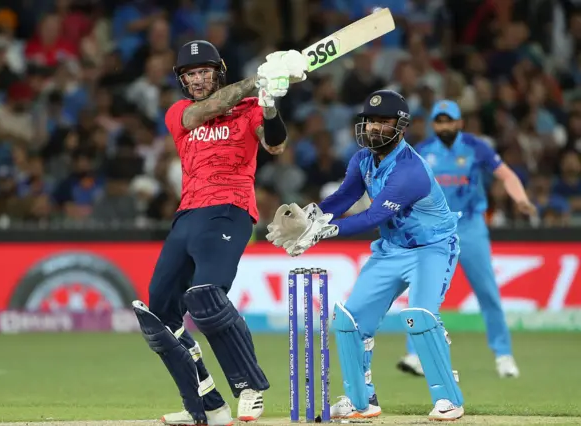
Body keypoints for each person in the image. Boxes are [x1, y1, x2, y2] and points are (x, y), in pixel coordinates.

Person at [131, 40, 307, 426]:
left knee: (206, 296)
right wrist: (257, 81)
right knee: (160, 313)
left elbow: (276, 145)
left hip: (229, 210)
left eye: (204, 71)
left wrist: (271, 101)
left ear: (219, 71)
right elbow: (206, 111)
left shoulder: (250, 109)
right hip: (187, 215)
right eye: (190, 74)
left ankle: (249, 387)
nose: (197, 79)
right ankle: (207, 404)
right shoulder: (180, 112)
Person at [267, 90, 465, 421]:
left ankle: (449, 399)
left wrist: (323, 232)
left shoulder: (410, 171)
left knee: (420, 317)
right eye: (370, 121)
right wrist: (309, 216)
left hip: (432, 248)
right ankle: (362, 402)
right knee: (348, 321)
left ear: (401, 126)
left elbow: (373, 216)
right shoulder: (362, 159)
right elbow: (345, 196)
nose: (373, 128)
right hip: (391, 250)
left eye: (382, 122)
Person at [398, 100, 536, 378]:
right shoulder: (423, 151)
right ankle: (416, 356)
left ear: (460, 123)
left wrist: (520, 199)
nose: (445, 126)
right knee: (425, 293)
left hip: (471, 227)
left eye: (450, 121)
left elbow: (506, 174)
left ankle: (504, 355)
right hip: (435, 230)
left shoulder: (476, 147)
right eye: (439, 121)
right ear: (433, 124)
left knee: (487, 293)